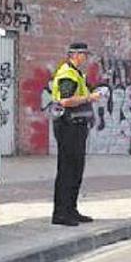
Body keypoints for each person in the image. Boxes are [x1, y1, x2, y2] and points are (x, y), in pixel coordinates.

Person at [50, 43, 103, 226]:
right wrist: (90, 98)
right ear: (75, 55)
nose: (86, 58)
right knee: (67, 171)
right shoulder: (68, 75)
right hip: (68, 127)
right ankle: (61, 214)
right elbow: (65, 100)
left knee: (76, 170)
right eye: (84, 55)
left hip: (77, 126)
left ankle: (71, 210)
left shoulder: (77, 74)